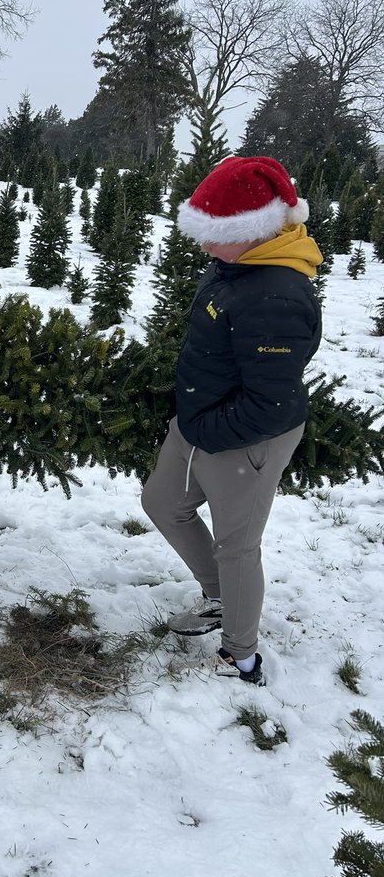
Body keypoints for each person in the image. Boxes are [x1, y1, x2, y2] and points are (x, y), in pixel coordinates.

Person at [141, 155, 323, 686]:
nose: (202, 245)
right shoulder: (232, 265)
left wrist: (210, 436)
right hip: (201, 422)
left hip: (248, 439)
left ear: (253, 231)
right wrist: (192, 421)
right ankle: (218, 595)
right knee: (163, 503)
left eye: (213, 233)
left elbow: (270, 402)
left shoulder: (277, 296)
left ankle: (240, 658)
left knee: (237, 545)